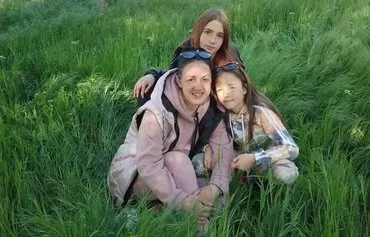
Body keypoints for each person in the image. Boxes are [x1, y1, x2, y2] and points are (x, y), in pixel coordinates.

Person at [107, 49, 234, 225]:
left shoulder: (211, 107)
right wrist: (182, 200)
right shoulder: (157, 112)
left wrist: (215, 188)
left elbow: (224, 149)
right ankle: (197, 226)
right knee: (179, 161)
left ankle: (159, 210)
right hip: (135, 175)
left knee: (211, 190)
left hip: (175, 171)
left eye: (205, 79)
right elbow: (149, 164)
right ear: (179, 81)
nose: (199, 86)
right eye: (191, 79)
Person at [203, 62, 299, 184]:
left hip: (268, 161)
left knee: (285, 174)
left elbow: (291, 147)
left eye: (231, 87)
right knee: (199, 162)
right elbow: (209, 136)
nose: (226, 94)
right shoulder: (221, 113)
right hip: (238, 161)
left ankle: (269, 192)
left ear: (244, 88)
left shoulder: (261, 112)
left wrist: (254, 158)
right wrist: (207, 148)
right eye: (219, 89)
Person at [133, 8, 245, 105]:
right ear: (199, 30)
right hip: (189, 100)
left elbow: (244, 88)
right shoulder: (186, 50)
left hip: (218, 105)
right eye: (207, 32)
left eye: (219, 36)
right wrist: (153, 75)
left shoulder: (229, 55)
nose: (212, 41)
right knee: (146, 89)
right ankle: (150, 125)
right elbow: (174, 76)